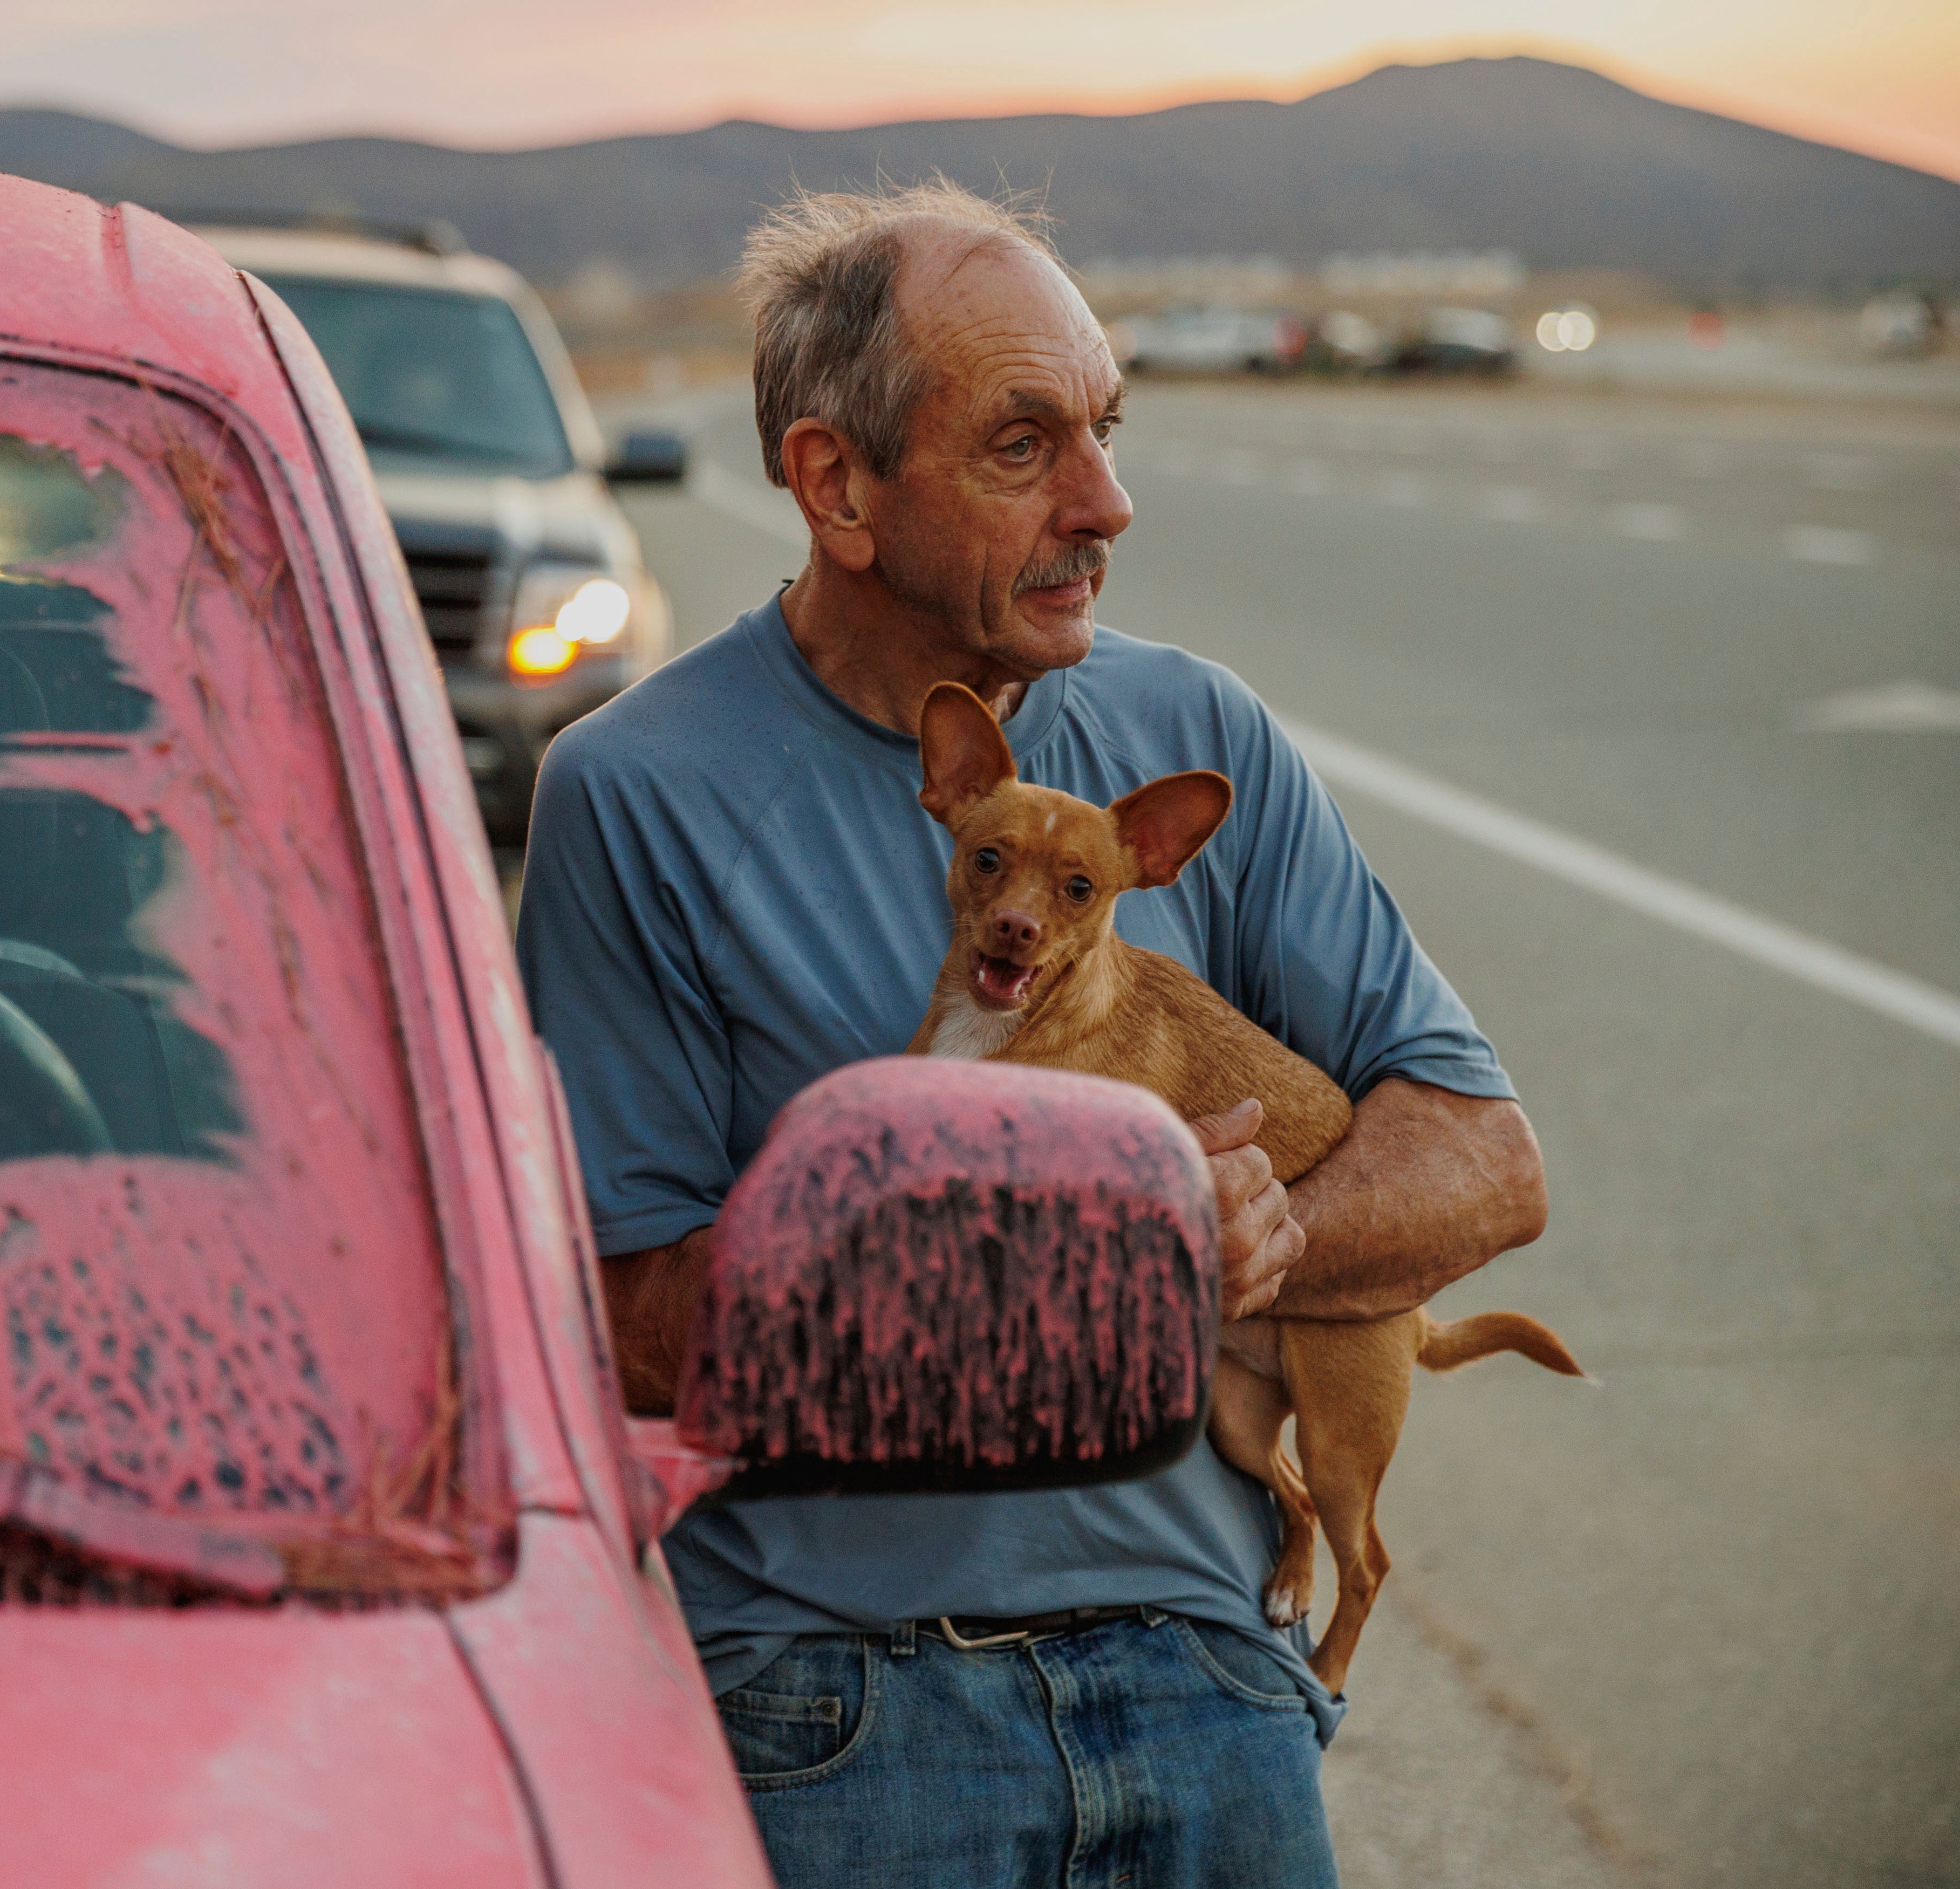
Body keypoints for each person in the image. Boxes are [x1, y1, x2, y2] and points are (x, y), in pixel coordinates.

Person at [514, 180, 1550, 1887]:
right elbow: (626, 1329)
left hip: (1205, 1678)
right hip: (833, 1700)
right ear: (839, 487)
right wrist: (1109, 1259)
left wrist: (1255, 1246)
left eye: (1106, 430)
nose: (1107, 502)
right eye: (1023, 446)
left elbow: (1482, 1158)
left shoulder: (1191, 734)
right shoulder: (634, 794)